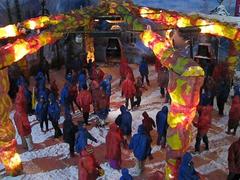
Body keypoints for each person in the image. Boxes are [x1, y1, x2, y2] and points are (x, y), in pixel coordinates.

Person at [14, 86, 33, 151]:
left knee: (22, 136)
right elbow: (25, 122)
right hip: (25, 129)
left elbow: (15, 121)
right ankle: (30, 147)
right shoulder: (23, 114)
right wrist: (28, 127)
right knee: (28, 136)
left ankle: (24, 146)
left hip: (20, 129)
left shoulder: (16, 114)